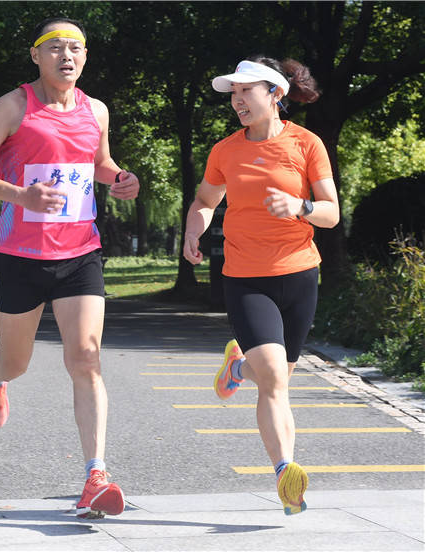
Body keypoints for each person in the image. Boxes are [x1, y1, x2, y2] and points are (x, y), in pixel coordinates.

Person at [0, 17, 140, 519]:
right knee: (17, 362)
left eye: (75, 48)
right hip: (22, 256)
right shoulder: (13, 107)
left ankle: (95, 476)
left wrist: (119, 177)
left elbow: (98, 163)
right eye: (55, 47)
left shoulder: (96, 110)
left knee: (86, 358)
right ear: (36, 55)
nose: (67, 56)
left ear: (85, 56)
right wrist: (21, 195)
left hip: (80, 253)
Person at [184, 56, 339, 515]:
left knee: (276, 377)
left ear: (275, 94)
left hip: (300, 273)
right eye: (233, 93)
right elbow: (205, 199)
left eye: (245, 91)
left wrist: (299, 206)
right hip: (246, 277)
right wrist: (194, 229)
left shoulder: (306, 144)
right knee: (273, 378)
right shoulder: (225, 151)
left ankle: (238, 366)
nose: (237, 101)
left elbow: (331, 213)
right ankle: (285, 473)